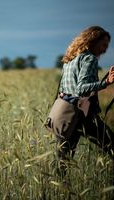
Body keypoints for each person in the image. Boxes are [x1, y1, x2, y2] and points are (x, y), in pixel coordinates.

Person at [54, 26, 114, 176]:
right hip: (82, 115)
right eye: (103, 44)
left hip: (64, 115)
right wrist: (106, 82)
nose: (105, 49)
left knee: (62, 163)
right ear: (93, 41)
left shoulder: (69, 59)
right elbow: (80, 89)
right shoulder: (90, 59)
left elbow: (65, 88)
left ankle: (57, 193)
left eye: (107, 46)